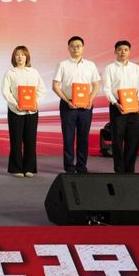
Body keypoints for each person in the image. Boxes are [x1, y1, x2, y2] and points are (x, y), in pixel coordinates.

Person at [52, 36, 101, 174]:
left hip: (86, 105)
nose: (75, 48)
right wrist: (66, 100)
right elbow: (55, 86)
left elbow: (96, 85)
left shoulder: (90, 65)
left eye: (78, 46)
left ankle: (81, 166)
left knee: (83, 137)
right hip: (68, 104)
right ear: (68, 48)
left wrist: (90, 99)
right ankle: (69, 166)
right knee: (68, 137)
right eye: (72, 46)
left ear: (83, 48)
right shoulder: (62, 64)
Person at [1, 46, 46, 178]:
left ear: (27, 57)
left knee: (30, 140)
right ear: (14, 57)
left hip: (32, 111)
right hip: (15, 110)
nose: (20, 57)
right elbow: (5, 91)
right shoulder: (10, 73)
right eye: (17, 54)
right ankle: (16, 168)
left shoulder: (34, 72)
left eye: (23, 54)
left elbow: (42, 90)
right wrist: (16, 104)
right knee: (16, 140)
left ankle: (29, 168)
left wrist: (35, 102)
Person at [103, 40, 139, 173]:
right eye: (120, 49)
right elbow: (106, 88)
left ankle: (130, 169)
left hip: (134, 105)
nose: (123, 52)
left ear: (129, 52)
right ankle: (119, 169)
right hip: (117, 105)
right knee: (117, 138)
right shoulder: (109, 68)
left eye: (126, 50)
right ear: (115, 51)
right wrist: (115, 102)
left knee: (134, 138)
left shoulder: (136, 68)